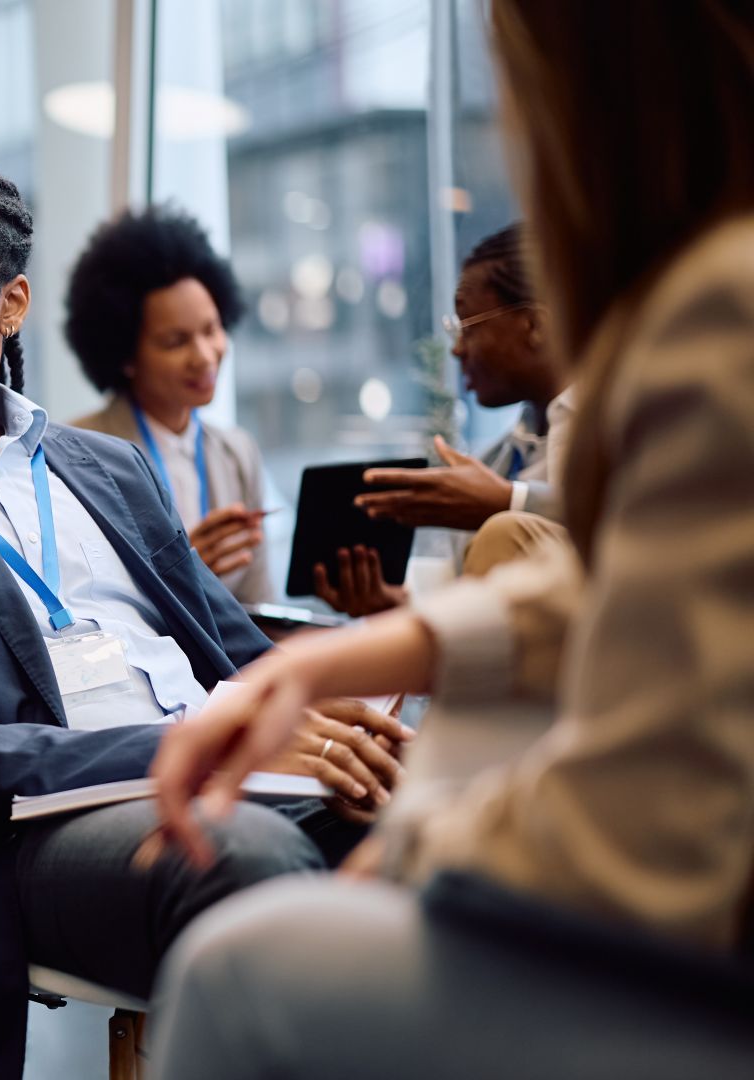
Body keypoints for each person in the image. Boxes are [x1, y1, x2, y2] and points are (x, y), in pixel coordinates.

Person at [147, 2, 754, 1075]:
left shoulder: (717, 309)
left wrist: (416, 842)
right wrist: (363, 651)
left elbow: (670, 817)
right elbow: (663, 586)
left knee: (234, 972)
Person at [0, 156, 408, 1078]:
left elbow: (235, 649)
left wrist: (328, 713)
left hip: (220, 770)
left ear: (10, 305)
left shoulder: (108, 466)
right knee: (242, 862)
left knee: (451, 826)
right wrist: (191, 748)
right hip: (20, 835)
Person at [319, 222, 575, 615]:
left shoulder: (621, 418)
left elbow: (621, 527)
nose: (456, 350)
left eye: (466, 326)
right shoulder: (499, 460)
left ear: (534, 326)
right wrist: (399, 606)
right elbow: (471, 607)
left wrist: (507, 503)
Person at [66, 206, 273, 604]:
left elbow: (259, 610)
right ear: (125, 355)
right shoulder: (77, 453)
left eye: (211, 330)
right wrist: (180, 575)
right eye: (176, 342)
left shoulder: (237, 453)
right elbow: (83, 608)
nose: (204, 356)